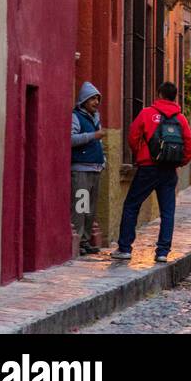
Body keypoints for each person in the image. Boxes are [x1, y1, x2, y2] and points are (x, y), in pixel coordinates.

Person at [112, 81, 191, 264]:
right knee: (168, 211)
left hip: (148, 168)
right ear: (175, 97)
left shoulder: (147, 113)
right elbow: (189, 146)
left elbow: (133, 136)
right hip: (169, 170)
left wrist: (141, 154)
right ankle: (162, 252)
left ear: (159, 94)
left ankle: (125, 248)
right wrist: (179, 162)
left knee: (132, 205)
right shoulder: (181, 119)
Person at [71, 81, 106, 255]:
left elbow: (100, 143)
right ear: (84, 100)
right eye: (92, 99)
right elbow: (71, 139)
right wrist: (93, 135)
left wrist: (103, 160)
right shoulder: (76, 117)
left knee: (90, 209)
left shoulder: (95, 119)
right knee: (80, 207)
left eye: (97, 99)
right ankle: (77, 241)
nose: (96, 102)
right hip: (82, 170)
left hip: (95, 169)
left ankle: (85, 241)